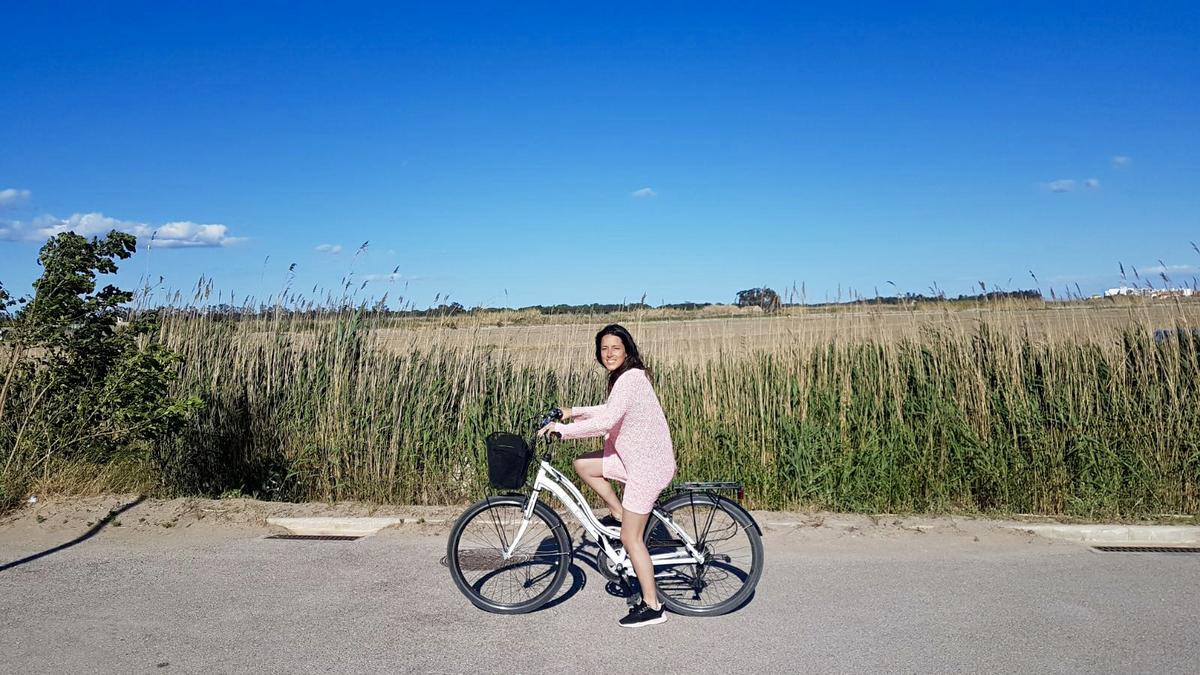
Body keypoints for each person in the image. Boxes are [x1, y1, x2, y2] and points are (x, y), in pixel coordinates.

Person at [537, 323, 677, 627]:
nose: (609, 353)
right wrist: (572, 411)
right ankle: (616, 511)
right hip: (633, 458)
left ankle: (652, 606)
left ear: (627, 349)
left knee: (630, 537)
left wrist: (562, 430)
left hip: (647, 465)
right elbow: (608, 409)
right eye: (604, 349)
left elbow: (606, 422)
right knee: (583, 465)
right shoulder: (625, 378)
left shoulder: (632, 378)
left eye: (615, 347)